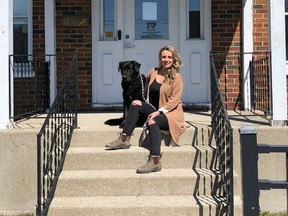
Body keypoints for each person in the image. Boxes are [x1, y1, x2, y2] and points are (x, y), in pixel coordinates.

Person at [105, 45, 186, 174]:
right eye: (164, 57)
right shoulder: (153, 72)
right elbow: (141, 81)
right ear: (160, 58)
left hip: (170, 113)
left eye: (169, 57)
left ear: (174, 59)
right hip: (154, 109)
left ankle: (155, 160)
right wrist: (128, 81)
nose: (166, 60)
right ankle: (124, 139)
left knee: (153, 121)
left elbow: (174, 101)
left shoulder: (176, 77)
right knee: (136, 103)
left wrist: (158, 112)